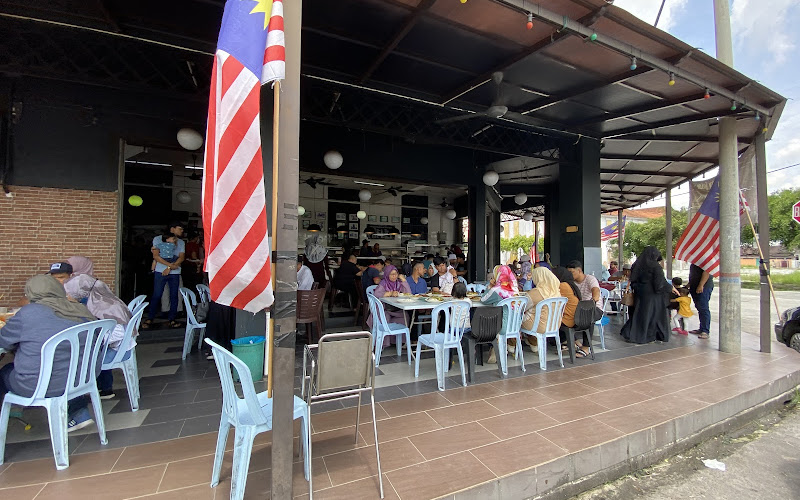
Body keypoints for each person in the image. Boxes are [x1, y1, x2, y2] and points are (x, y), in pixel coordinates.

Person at [0, 275, 97, 431]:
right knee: (66, 364)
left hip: (38, 386)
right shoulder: (80, 309)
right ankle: (79, 412)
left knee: (5, 372)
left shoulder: (29, 313)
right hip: (82, 380)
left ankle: (7, 417)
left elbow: (3, 340)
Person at [65, 274, 134, 399]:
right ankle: (101, 386)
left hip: (117, 350)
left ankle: (81, 393)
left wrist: (97, 340)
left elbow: (119, 333)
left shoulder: (106, 306)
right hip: (118, 346)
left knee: (78, 355)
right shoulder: (102, 299)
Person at [620, 246, 672, 344]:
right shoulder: (656, 267)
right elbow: (659, 285)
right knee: (653, 316)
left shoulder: (637, 265)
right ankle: (651, 335)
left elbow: (633, 280)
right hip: (654, 296)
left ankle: (633, 335)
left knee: (639, 315)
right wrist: (670, 288)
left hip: (640, 294)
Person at [143, 222, 185, 329]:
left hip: (174, 271)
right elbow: (156, 256)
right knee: (157, 294)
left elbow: (181, 257)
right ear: (172, 229)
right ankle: (150, 317)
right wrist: (170, 265)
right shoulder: (158, 239)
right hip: (160, 271)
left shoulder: (181, 242)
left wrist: (169, 268)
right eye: (179, 229)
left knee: (174, 295)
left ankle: (172, 318)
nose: (182, 231)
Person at [481, 265, 519, 364]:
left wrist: (490, 286)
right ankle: (500, 347)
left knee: (483, 319)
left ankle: (495, 348)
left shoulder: (496, 290)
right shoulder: (515, 288)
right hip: (516, 325)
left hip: (501, 326)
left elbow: (483, 300)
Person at [520, 267, 561, 352]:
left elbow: (522, 307)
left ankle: (510, 344)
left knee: (514, 320)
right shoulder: (556, 291)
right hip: (554, 325)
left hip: (537, 326)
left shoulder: (537, 292)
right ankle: (532, 341)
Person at [551, 266, 582, 356]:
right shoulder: (571, 284)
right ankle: (573, 342)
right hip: (574, 317)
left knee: (548, 320)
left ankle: (566, 342)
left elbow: (549, 297)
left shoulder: (562, 286)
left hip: (568, 319)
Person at [688, 263, 713, 339]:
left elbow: (707, 272)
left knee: (703, 308)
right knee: (699, 308)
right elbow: (693, 275)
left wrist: (701, 285)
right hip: (694, 286)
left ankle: (705, 330)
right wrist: (689, 285)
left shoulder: (705, 260)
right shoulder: (694, 261)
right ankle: (701, 328)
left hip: (704, 287)